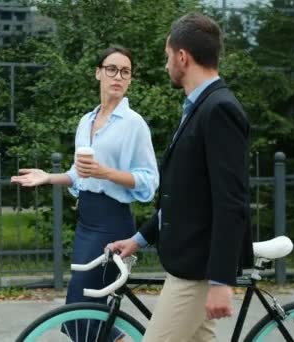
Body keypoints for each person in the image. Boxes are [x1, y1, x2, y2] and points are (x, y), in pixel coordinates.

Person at [107, 13, 254, 342]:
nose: (166, 65)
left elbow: (231, 202)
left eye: (167, 56)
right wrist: (140, 239)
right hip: (190, 264)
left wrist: (220, 282)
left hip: (197, 271)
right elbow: (185, 197)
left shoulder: (219, 109)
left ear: (182, 57)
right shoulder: (200, 107)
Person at [11, 45, 159, 340]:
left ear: (130, 79)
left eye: (125, 72)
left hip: (111, 224)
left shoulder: (134, 124)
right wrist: (48, 177)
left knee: (82, 313)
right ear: (98, 73)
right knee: (81, 316)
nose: (118, 76)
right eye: (111, 69)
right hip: (86, 224)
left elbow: (149, 181)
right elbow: (80, 176)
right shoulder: (85, 121)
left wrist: (106, 172)